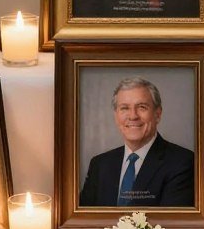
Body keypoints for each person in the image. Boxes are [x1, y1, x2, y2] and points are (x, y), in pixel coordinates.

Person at [79, 77, 195, 207]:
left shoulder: (182, 163)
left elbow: (171, 219)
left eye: (142, 107)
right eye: (124, 108)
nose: (133, 116)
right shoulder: (99, 165)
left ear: (157, 114)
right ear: (116, 115)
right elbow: (83, 217)